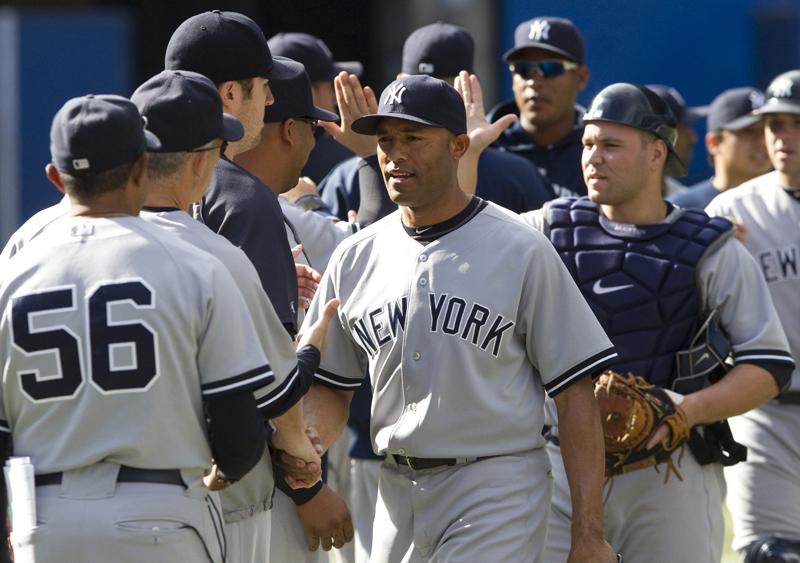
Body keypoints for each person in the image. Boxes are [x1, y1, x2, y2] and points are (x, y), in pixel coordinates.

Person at [278, 74, 621, 563]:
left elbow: (575, 392)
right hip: (394, 485)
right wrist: (310, 446)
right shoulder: (354, 257)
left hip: (496, 483)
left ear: (459, 145)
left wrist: (589, 532)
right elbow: (332, 384)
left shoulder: (519, 248)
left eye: (413, 138)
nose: (395, 155)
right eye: (385, 140)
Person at [518, 83, 795, 563]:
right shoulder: (542, 230)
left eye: (610, 146)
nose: (593, 158)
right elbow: (466, 241)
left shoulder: (710, 248)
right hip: (557, 463)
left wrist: (688, 409)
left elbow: (768, 365)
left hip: (670, 468)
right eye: (587, 144)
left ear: (655, 153)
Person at [0, 94, 280, 562]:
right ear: (140, 169)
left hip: (45, 520)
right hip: (161, 514)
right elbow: (239, 435)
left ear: (55, 177)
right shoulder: (197, 264)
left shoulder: (12, 274)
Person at [130, 68, 337, 563]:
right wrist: (312, 346)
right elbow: (278, 392)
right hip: (187, 501)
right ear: (202, 162)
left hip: (53, 498)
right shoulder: (217, 257)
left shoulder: (42, 242)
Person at [233, 58, 357, 561]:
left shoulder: (182, 213)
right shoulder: (262, 212)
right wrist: (305, 485)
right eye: (311, 128)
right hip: (260, 480)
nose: (312, 144)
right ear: (290, 130)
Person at [164, 10, 312, 336]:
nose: (271, 99)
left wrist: (251, 273)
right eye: (263, 85)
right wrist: (312, 350)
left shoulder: (135, 183)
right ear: (230, 94)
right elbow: (273, 372)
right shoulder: (244, 199)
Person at [318, 21, 553, 221]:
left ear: (469, 89)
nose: (424, 102)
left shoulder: (515, 175)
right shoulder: (351, 175)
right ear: (398, 83)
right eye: (415, 85)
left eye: (439, 89)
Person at [706, 70, 800, 562]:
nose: (783, 137)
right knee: (769, 554)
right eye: (775, 124)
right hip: (768, 413)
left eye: (795, 124)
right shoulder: (733, 212)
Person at [489, 16, 590, 198]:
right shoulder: (484, 150)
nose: (535, 81)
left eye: (551, 68)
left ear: (581, 78)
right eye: (523, 69)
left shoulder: (597, 152)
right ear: (513, 78)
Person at [267, 32, 363, 184]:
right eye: (331, 86)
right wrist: (367, 154)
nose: (335, 97)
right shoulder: (344, 158)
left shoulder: (246, 150)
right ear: (308, 91)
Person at [671, 87, 769, 209]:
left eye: (767, 130)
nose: (762, 141)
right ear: (714, 143)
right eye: (748, 131)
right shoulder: (681, 208)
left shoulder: (789, 201)